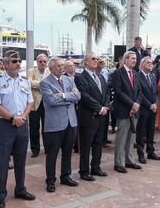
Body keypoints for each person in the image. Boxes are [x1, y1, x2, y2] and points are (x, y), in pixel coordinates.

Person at [0, 50, 35, 208]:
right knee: (2, 162)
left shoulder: (24, 81)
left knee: (21, 160)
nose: (18, 64)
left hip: (22, 124)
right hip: (4, 125)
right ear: (6, 64)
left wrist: (22, 117)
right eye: (14, 61)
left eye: (19, 61)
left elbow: (30, 103)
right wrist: (13, 118)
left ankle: (20, 189)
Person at [40, 57, 80, 192]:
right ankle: (50, 180)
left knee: (67, 152)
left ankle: (66, 176)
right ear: (51, 68)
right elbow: (51, 101)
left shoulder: (69, 79)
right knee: (52, 154)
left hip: (70, 122)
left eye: (63, 65)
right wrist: (70, 98)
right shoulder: (45, 83)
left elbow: (78, 95)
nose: (62, 68)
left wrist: (63, 95)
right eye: (59, 66)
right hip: (55, 124)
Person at [75, 54, 111, 180]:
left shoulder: (100, 77)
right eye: (93, 59)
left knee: (98, 144)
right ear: (85, 62)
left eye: (97, 59)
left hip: (101, 117)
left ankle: (96, 167)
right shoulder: (80, 77)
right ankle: (84, 171)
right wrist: (99, 108)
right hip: (88, 117)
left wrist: (106, 106)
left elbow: (106, 93)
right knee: (86, 146)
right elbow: (84, 96)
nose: (96, 61)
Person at [110, 51, 142, 173]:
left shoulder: (136, 73)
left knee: (131, 137)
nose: (134, 60)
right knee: (121, 138)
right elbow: (118, 91)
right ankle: (118, 163)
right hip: (124, 110)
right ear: (125, 59)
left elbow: (139, 91)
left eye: (135, 59)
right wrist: (131, 104)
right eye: (132, 58)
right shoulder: (117, 73)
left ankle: (129, 160)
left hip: (135, 110)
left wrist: (137, 103)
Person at [136, 56, 160, 162]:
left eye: (151, 63)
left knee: (151, 131)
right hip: (143, 108)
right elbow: (139, 93)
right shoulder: (137, 76)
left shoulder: (153, 76)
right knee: (141, 133)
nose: (150, 64)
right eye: (148, 63)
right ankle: (140, 154)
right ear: (142, 65)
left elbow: (155, 92)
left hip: (153, 108)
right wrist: (149, 105)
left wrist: (155, 104)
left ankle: (151, 152)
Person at [27, 54, 49, 158]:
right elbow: (29, 83)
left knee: (47, 127)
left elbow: (53, 84)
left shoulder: (49, 71)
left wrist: (39, 84)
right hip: (34, 103)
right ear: (37, 62)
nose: (42, 63)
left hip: (47, 103)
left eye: (44, 61)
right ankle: (35, 149)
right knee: (34, 127)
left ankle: (47, 147)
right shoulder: (31, 71)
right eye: (40, 61)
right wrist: (44, 84)